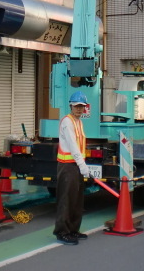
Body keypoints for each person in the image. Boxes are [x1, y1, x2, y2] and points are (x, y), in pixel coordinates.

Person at [54, 90, 90, 245]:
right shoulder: (67, 121)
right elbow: (73, 145)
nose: (79, 109)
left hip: (76, 166)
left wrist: (81, 164)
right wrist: (82, 164)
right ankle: (62, 232)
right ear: (70, 106)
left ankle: (73, 229)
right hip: (67, 166)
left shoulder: (79, 122)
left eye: (81, 106)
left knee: (76, 199)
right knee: (66, 199)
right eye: (76, 106)